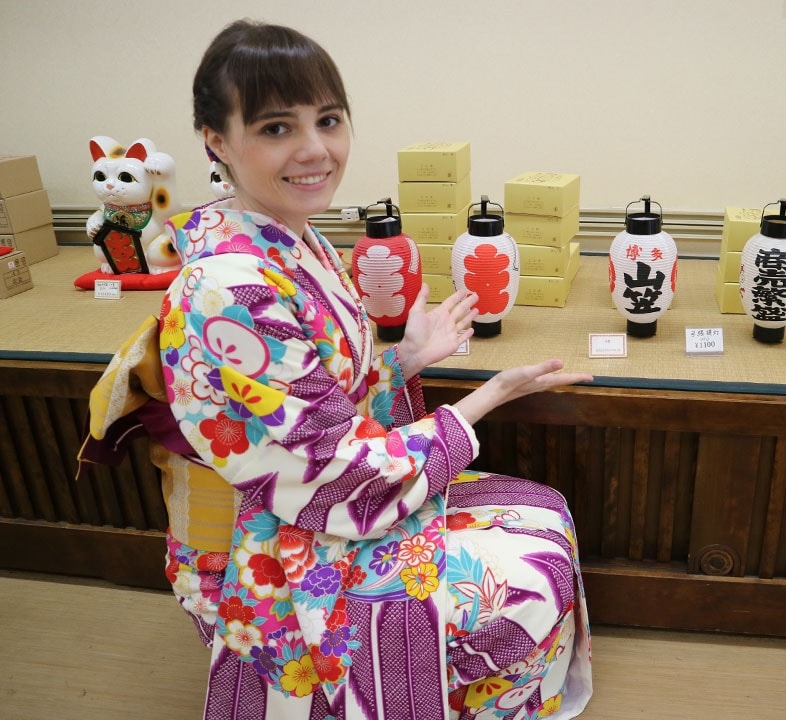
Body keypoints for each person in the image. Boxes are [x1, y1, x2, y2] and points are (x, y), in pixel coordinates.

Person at [82, 18, 593, 720]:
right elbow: (335, 475)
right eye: (275, 129)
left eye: (328, 120)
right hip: (269, 540)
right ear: (216, 140)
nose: (315, 150)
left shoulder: (293, 236)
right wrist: (486, 399)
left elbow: (320, 401)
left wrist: (409, 356)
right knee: (523, 587)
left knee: (544, 512)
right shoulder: (231, 287)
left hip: (305, 495)